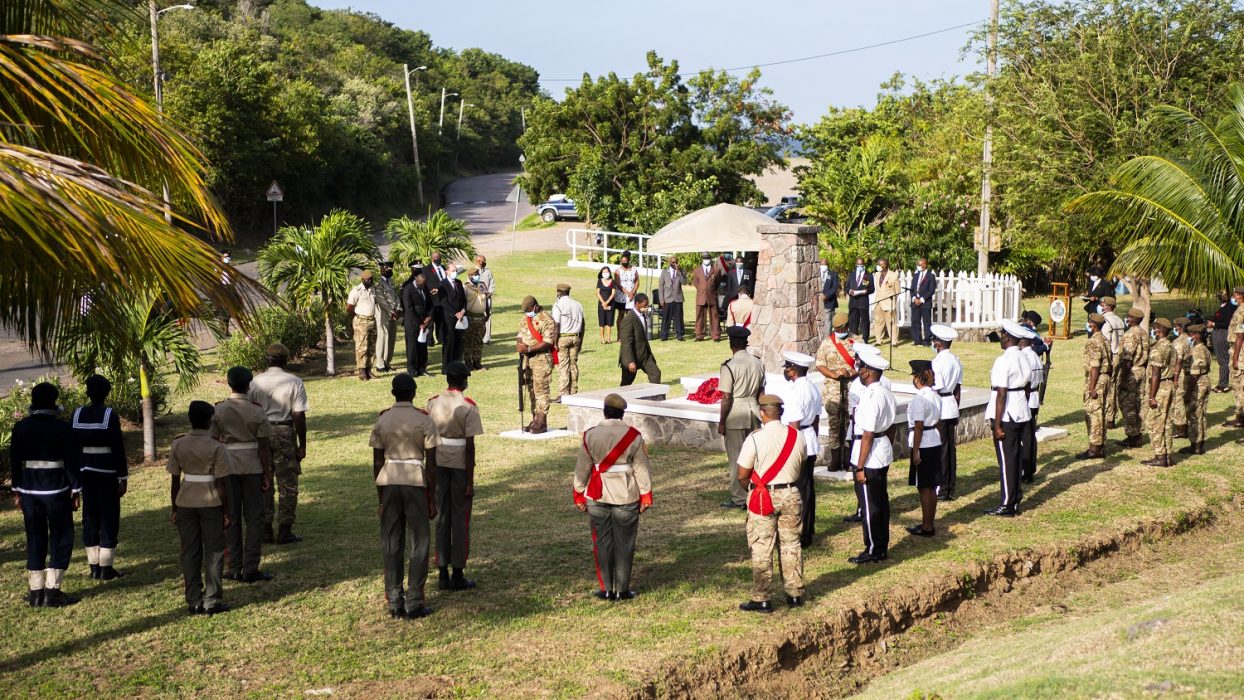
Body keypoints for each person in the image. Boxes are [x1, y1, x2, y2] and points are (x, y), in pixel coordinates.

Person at [370, 373, 440, 619]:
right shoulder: (424, 420)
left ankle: (394, 598)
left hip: (389, 479)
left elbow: (378, 460)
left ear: (393, 393)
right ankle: (414, 600)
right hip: (415, 479)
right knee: (419, 540)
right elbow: (431, 464)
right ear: (413, 393)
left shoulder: (383, 419)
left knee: (391, 540)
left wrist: (381, 499)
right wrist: (431, 498)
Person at [573, 393, 653, 601]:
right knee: (625, 543)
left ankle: (606, 587)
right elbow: (641, 469)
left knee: (601, 542)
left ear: (604, 411)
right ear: (622, 413)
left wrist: (579, 493)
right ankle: (622, 589)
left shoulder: (589, 435)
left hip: (597, 494)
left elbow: (582, 468)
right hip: (626, 494)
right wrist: (646, 495)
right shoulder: (633, 436)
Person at [12, 382, 80, 607]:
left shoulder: (20, 427)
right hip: (56, 488)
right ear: (54, 401)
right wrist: (76, 489)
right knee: (61, 537)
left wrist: (17, 490)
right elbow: (71, 462)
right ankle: (53, 590)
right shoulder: (62, 428)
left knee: (35, 537)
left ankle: (35, 592)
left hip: (29, 488)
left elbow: (15, 462)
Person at [736, 394, 806, 612]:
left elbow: (742, 474)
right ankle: (795, 593)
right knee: (791, 544)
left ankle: (762, 597)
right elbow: (801, 465)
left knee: (761, 545)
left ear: (762, 413)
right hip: (791, 492)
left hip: (763, 495)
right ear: (781, 413)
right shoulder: (797, 436)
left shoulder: (755, 438)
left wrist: (752, 489)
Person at [168, 401, 231, 615]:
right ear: (209, 421)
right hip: (211, 502)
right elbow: (222, 484)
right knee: (213, 552)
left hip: (185, 501)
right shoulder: (217, 447)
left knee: (189, 552)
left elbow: (175, 480)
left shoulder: (179, 444)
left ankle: (193, 599)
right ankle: (211, 599)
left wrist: (174, 508)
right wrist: (226, 512)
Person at [212, 367, 275, 583]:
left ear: (229, 384)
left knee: (232, 517)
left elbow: (213, 441)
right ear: (248, 385)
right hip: (252, 467)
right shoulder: (256, 410)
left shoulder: (219, 409)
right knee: (255, 518)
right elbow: (264, 446)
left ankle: (234, 566)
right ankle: (250, 567)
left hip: (227, 467)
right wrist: (267, 473)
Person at [426, 361, 484, 592]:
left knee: (441, 516)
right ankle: (457, 571)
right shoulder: (468, 406)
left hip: (438, 460)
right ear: (463, 382)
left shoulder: (432, 402)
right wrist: (470, 480)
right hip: (459, 463)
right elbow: (470, 447)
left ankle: (442, 570)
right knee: (460, 519)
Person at [249, 343, 310, 545]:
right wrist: (302, 444)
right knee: (288, 484)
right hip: (285, 430)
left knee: (264, 481)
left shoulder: (255, 382)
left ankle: (265, 529)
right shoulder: (294, 381)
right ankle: (285, 530)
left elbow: (249, 410)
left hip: (260, 432)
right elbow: (298, 415)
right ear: (285, 360)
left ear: (267, 359)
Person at [72, 374, 127, 580]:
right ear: (107, 393)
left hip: (84, 471)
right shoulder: (109, 415)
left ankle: (93, 566)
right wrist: (123, 477)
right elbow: (117, 448)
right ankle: (106, 567)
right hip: (106, 472)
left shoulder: (77, 414)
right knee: (109, 517)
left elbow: (72, 446)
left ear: (87, 392)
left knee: (90, 517)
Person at [850, 352, 897, 563]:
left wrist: (860, 467)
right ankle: (881, 545)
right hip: (881, 448)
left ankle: (873, 548)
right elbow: (892, 426)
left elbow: (867, 434)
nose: (859, 372)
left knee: (870, 504)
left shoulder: (871, 396)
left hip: (869, 454)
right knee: (880, 501)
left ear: (868, 372)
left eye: (861, 369)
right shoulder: (886, 392)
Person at [985, 321, 1033, 517]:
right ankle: (1015, 496)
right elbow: (1028, 386)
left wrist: (997, 424)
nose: (1001, 338)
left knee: (1006, 460)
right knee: (1015, 457)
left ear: (1008, 338)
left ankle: (1007, 503)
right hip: (1021, 409)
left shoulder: (1003, 360)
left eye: (1003, 335)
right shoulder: (1024, 357)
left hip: (1007, 414)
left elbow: (1001, 394)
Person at [778, 352, 822, 549]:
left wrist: (789, 450)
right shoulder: (812, 387)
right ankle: (808, 528)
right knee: (807, 488)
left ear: (794, 370)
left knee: (799, 490)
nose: (786, 371)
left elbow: (793, 425)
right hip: (809, 438)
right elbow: (816, 419)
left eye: (787, 367)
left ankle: (803, 532)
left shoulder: (796, 391)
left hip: (799, 441)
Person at [718, 326, 765, 509]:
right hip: (754, 410)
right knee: (755, 457)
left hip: (735, 414)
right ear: (746, 343)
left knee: (736, 458)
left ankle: (739, 498)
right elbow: (762, 391)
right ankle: (756, 491)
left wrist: (722, 421)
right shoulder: (757, 362)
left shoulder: (729, 366)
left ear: (731, 345)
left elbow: (726, 397)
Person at [814, 312, 856, 472]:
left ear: (847, 326)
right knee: (834, 423)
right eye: (836, 329)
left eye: (841, 328)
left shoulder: (856, 341)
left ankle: (848, 458)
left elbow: (862, 364)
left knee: (850, 423)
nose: (839, 331)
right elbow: (820, 364)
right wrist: (834, 374)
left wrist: (851, 373)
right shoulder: (827, 343)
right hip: (832, 390)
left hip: (851, 389)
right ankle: (835, 458)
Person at [906, 360, 941, 537]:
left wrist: (916, 451)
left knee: (924, 487)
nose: (913, 379)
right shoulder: (935, 395)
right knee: (931, 486)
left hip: (923, 444)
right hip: (934, 440)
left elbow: (918, 426)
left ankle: (927, 525)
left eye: (914, 375)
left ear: (919, 377)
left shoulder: (920, 399)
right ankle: (929, 523)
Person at [929, 325, 963, 501]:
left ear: (939, 343)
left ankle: (942, 488)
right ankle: (950, 486)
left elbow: (936, 388)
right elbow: (957, 389)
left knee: (941, 449)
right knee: (950, 449)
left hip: (941, 405)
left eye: (934, 340)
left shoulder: (937, 362)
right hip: (951, 404)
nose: (933, 343)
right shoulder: (956, 360)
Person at [516, 295, 556, 434]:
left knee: (541, 390)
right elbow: (520, 334)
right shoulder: (525, 319)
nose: (527, 313)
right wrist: (520, 345)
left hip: (541, 360)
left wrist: (528, 349)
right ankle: (535, 419)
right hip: (527, 361)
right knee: (531, 390)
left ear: (535, 306)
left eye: (529, 310)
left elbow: (548, 342)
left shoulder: (547, 320)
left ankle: (541, 421)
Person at [1076, 314, 1113, 460]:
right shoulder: (1104, 339)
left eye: (1089, 322)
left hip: (1096, 379)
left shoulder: (1093, 341)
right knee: (1101, 412)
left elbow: (1094, 366)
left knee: (1094, 413)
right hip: (1104, 378)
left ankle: (1094, 448)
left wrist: (1092, 388)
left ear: (1093, 325)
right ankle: (1100, 445)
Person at [1144, 318, 1177, 467]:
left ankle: (1160, 456)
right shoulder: (1170, 345)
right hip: (1169, 385)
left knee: (1155, 422)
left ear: (1159, 330)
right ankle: (1167, 454)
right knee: (1167, 423)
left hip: (1160, 387)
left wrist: (1151, 396)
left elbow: (1156, 373)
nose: (1153, 330)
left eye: (1155, 327)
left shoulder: (1159, 348)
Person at [1115, 308, 1150, 448]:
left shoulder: (1131, 334)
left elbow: (1127, 359)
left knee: (1128, 404)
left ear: (1133, 319)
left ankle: (1132, 436)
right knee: (1138, 403)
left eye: (1128, 317)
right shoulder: (1144, 333)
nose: (1127, 318)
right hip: (1141, 370)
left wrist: (1122, 379)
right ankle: (1138, 434)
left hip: (1131, 372)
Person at [1181, 324, 1212, 455]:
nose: (1188, 337)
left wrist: (1188, 393)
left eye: (1190, 334)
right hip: (1202, 381)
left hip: (1197, 383)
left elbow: (1195, 373)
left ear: (1197, 336)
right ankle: (1199, 443)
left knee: (1195, 414)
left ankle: (1196, 444)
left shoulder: (1198, 350)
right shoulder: (1203, 348)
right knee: (1200, 414)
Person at [1018, 329, 1044, 483]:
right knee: (1029, 436)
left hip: (1027, 398)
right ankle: (1029, 469)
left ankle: (1026, 470)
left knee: (1025, 438)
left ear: (1023, 341)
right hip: (1033, 397)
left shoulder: (1025, 357)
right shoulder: (1034, 355)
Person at [618, 293, 661, 386]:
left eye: (647, 305)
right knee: (626, 383)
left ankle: (656, 398)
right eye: (644, 306)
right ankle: (620, 399)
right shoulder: (628, 320)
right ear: (637, 304)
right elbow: (626, 343)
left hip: (644, 355)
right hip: (632, 356)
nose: (647, 308)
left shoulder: (643, 315)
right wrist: (630, 361)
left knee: (656, 373)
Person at [552, 282, 585, 397]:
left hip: (563, 337)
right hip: (576, 337)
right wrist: (581, 339)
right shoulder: (578, 304)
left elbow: (556, 325)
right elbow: (583, 324)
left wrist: (554, 343)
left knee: (563, 366)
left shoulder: (558, 305)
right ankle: (573, 391)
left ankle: (563, 393)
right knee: (573, 365)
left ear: (559, 292)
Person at [346, 269, 378, 381]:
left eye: (371, 279)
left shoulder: (373, 290)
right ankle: (362, 371)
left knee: (371, 347)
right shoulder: (356, 291)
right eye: (368, 279)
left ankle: (369, 370)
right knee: (362, 347)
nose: (370, 281)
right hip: (361, 321)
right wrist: (357, 315)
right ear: (362, 279)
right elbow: (349, 307)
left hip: (372, 320)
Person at [402, 266, 433, 377]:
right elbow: (409, 309)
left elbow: (430, 304)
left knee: (422, 346)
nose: (423, 286)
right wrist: (419, 324)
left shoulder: (424, 288)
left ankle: (422, 368)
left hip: (424, 321)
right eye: (421, 284)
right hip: (412, 323)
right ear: (417, 280)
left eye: (424, 284)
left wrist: (429, 317)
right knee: (412, 347)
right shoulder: (408, 289)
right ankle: (412, 369)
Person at [1099, 297, 1125, 426]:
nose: (1101, 307)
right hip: (1119, 355)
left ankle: (1109, 417)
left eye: (1103, 305)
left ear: (1107, 307)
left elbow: (1105, 342)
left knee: (1109, 387)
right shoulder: (1119, 320)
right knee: (1115, 386)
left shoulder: (1106, 321)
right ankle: (1112, 415)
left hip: (1110, 356)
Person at [374, 261, 402, 373]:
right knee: (382, 338)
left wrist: (398, 308)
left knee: (391, 339)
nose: (389, 270)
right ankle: (379, 364)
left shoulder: (391, 282)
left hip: (393, 314)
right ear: (381, 269)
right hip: (383, 314)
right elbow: (381, 300)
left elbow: (396, 296)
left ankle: (387, 362)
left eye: (390, 269)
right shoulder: (378, 283)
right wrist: (391, 311)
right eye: (387, 269)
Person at [439, 264, 467, 368]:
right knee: (449, 342)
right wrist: (456, 313)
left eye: (456, 270)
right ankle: (446, 366)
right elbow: (444, 302)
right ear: (447, 271)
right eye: (452, 270)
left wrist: (463, 311)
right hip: (449, 318)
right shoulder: (442, 284)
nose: (455, 272)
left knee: (459, 341)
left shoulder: (459, 283)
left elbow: (464, 299)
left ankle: (457, 364)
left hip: (461, 318)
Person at [463, 269, 489, 371]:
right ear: (470, 276)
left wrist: (488, 313)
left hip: (481, 317)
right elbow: (463, 302)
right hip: (470, 317)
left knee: (479, 341)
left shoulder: (481, 285)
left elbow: (486, 300)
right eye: (475, 274)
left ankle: (477, 362)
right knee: (469, 341)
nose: (477, 276)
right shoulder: (466, 287)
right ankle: (468, 362)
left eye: (478, 274)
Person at [1208, 289, 1234, 393]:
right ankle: (1223, 383)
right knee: (1222, 360)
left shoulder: (1230, 308)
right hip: (1218, 333)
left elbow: (1228, 323)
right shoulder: (1223, 307)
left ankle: (1223, 385)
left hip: (1222, 334)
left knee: (1223, 359)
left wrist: (1213, 324)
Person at [1170, 318, 1191, 439]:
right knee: (1186, 399)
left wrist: (1176, 377)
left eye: (1176, 326)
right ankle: (1187, 424)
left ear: (1180, 328)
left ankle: (1181, 429)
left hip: (1181, 373)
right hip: (1190, 372)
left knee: (1179, 401)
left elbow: (1178, 360)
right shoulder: (1191, 339)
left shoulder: (1178, 341)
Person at [692, 253, 721, 342]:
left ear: (710, 259)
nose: (706, 260)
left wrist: (710, 290)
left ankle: (716, 335)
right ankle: (699, 334)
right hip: (701, 296)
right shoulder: (697, 270)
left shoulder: (716, 270)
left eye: (708, 258)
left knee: (714, 316)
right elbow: (696, 283)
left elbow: (718, 283)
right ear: (702, 259)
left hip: (712, 296)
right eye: (705, 258)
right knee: (700, 316)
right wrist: (702, 290)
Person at [871, 258, 901, 346]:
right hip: (878, 302)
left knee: (891, 322)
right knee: (878, 321)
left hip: (888, 303)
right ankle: (879, 340)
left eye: (881, 264)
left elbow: (898, 291)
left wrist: (892, 300)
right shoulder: (876, 274)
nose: (879, 266)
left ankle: (894, 341)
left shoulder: (893, 275)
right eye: (878, 264)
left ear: (885, 265)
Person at [908, 258, 937, 346]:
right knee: (915, 321)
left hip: (925, 303)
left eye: (919, 264)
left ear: (924, 265)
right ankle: (917, 340)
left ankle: (927, 340)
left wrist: (921, 300)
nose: (918, 266)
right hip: (915, 302)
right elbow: (912, 289)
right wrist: (914, 298)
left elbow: (931, 290)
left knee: (926, 321)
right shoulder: (916, 275)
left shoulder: (931, 276)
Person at [1227, 286, 1244, 429]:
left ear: (1239, 295)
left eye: (1235, 295)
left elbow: (1240, 334)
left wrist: (1236, 357)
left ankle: (1241, 417)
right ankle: (1240, 415)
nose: (1233, 297)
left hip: (1239, 349)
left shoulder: (1242, 310)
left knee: (1239, 383)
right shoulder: (1239, 309)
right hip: (1237, 348)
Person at [845, 257, 875, 341]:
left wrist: (866, 291)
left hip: (863, 302)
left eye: (861, 265)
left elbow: (872, 289)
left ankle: (865, 339)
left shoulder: (868, 275)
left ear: (864, 265)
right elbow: (846, 287)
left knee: (864, 322)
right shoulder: (851, 274)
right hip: (853, 302)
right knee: (853, 322)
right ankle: (853, 339)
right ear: (856, 265)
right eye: (858, 265)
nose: (860, 266)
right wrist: (849, 291)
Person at [657, 257, 686, 341]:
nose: (674, 264)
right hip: (667, 298)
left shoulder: (681, 271)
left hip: (678, 298)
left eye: (676, 262)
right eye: (673, 262)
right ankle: (664, 335)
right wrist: (661, 300)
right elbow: (661, 286)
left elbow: (684, 282)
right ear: (669, 262)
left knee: (679, 318)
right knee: (666, 318)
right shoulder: (664, 272)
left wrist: (679, 272)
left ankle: (679, 334)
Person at [427, 251, 448, 345]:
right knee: (430, 322)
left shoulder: (443, 268)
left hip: (442, 299)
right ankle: (429, 340)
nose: (438, 259)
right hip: (432, 300)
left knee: (441, 321)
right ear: (432, 259)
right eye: (436, 257)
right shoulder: (426, 269)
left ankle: (441, 338)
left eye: (439, 257)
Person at [474, 255, 495, 344]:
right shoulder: (473, 272)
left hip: (487, 298)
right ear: (478, 261)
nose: (484, 263)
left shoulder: (487, 272)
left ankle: (486, 338)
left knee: (488, 317)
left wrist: (489, 293)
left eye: (485, 261)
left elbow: (492, 283)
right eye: (482, 261)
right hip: (477, 299)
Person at [615, 252, 639, 325]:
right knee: (621, 314)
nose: (624, 263)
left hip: (632, 296)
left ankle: (629, 333)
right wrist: (628, 293)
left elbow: (637, 282)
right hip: (622, 296)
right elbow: (618, 284)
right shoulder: (618, 271)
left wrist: (632, 293)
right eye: (622, 262)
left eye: (625, 262)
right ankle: (619, 335)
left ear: (629, 261)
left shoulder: (634, 270)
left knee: (630, 315)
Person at [596, 266, 617, 344]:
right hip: (601, 304)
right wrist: (603, 303)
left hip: (611, 303)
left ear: (609, 272)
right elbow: (597, 292)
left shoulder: (613, 281)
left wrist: (607, 302)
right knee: (602, 322)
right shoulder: (599, 281)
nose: (606, 273)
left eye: (607, 272)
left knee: (609, 321)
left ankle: (608, 338)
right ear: (601, 273)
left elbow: (613, 293)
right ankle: (602, 338)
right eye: (604, 272)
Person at [821, 258, 839, 338]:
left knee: (828, 320)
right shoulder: (815, 273)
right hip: (817, 302)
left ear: (828, 265)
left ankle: (827, 338)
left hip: (829, 301)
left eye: (825, 264)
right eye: (822, 264)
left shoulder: (833, 274)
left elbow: (834, 288)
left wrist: (826, 295)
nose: (823, 266)